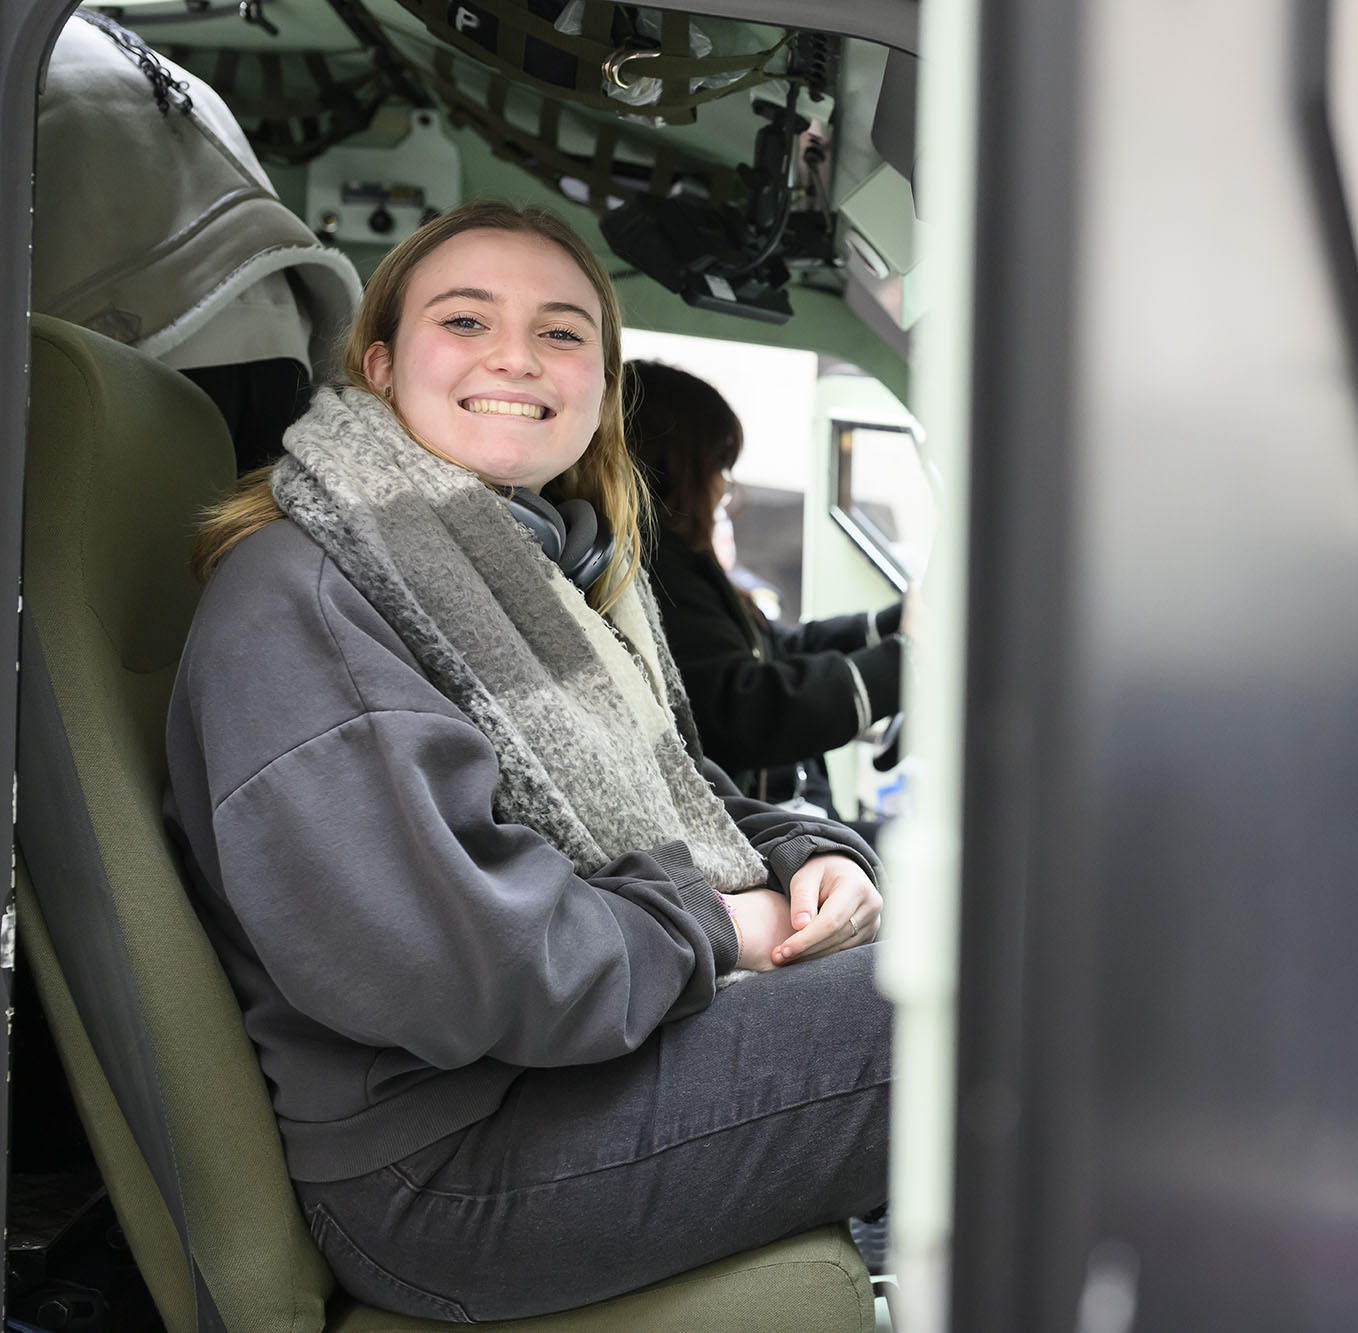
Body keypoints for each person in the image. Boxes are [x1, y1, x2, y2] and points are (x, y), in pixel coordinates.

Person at [163, 200, 889, 1321]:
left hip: (553, 1076)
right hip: (445, 1163)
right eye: (465, 320)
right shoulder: (307, 597)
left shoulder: (543, 579)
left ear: (600, 387)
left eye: (560, 332)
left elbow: (687, 791)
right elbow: (452, 969)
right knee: (995, 1000)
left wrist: (804, 856)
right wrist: (720, 923)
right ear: (379, 364)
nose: (516, 356)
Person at [35, 11, 361, 471]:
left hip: (151, 343)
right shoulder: (103, 42)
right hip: (280, 335)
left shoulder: (27, 47)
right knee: (242, 513)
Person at [624, 360, 905, 824]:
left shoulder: (684, 563)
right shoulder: (656, 572)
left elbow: (775, 647)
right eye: (718, 467)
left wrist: (888, 625)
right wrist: (906, 665)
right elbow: (746, 712)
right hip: (756, 826)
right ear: (678, 471)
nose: (723, 486)